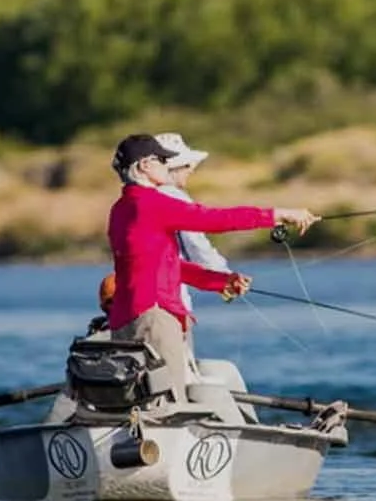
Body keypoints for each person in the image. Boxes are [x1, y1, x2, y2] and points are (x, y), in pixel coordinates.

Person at [105, 133, 317, 403]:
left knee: (138, 403)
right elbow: (215, 219)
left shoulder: (120, 209)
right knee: (168, 403)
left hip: (125, 319)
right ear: (145, 165)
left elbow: (163, 266)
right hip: (155, 318)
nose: (166, 166)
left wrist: (219, 281)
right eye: (161, 160)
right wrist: (277, 214)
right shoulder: (151, 203)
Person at [153, 132, 229, 369]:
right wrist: (224, 278)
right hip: (171, 302)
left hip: (138, 305)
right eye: (188, 164)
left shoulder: (138, 197)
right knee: (178, 366)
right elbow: (197, 247)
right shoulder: (174, 197)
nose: (191, 169)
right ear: (173, 167)